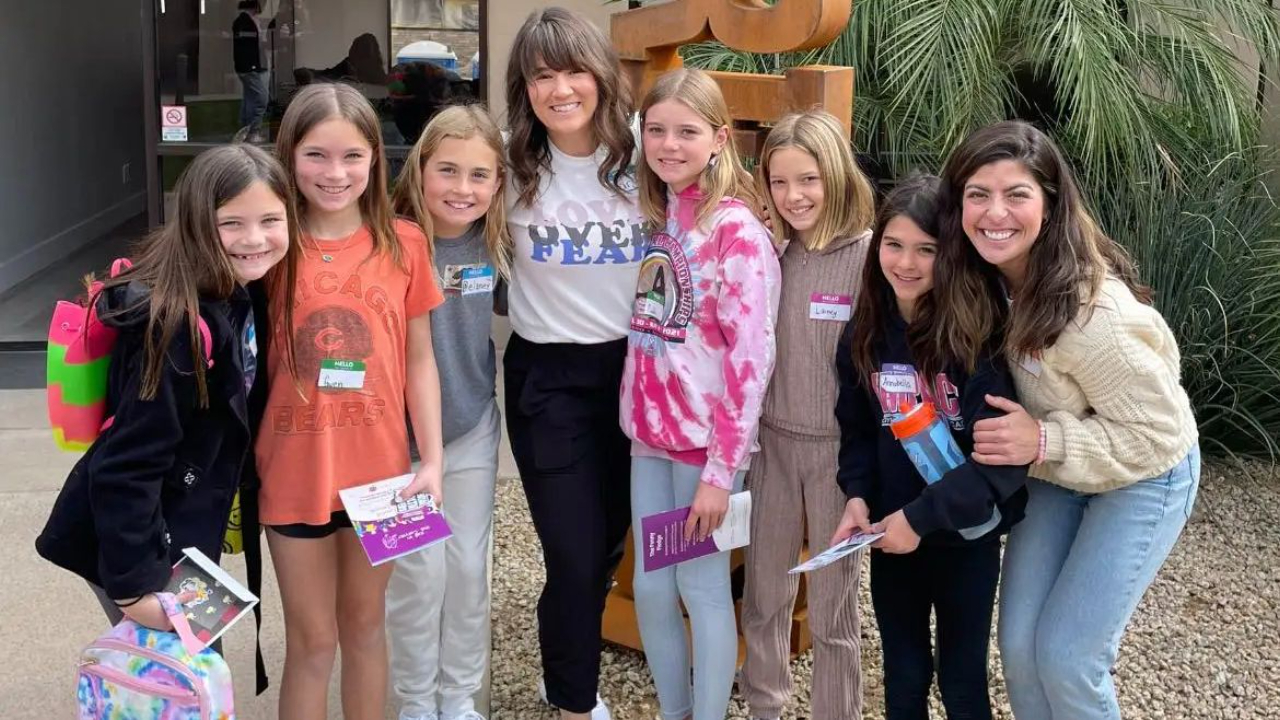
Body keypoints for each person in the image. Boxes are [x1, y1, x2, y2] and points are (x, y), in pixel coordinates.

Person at [935, 120, 1200, 720]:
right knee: (1020, 650)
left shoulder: (1091, 315)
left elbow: (1157, 432)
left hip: (1145, 472)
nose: (994, 212)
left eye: (1016, 195)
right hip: (1057, 467)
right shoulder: (981, 280)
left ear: (1050, 205)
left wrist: (1043, 437)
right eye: (978, 194)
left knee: (1068, 658)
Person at [36, 143, 297, 630]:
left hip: (178, 531)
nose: (254, 238)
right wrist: (134, 589)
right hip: (139, 545)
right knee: (174, 675)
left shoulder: (236, 288)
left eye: (270, 220)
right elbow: (127, 463)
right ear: (197, 223)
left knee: (197, 666)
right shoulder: (178, 327)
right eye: (231, 223)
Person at [257, 82, 446, 720]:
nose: (334, 173)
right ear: (289, 155)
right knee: (312, 642)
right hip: (292, 471)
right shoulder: (269, 245)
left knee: (366, 627)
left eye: (351, 157)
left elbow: (420, 360)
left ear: (374, 160)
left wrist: (432, 461)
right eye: (316, 155)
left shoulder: (404, 242)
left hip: (383, 476)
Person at [832, 173, 1028, 720]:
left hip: (963, 540)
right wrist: (857, 496)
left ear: (952, 255)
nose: (906, 263)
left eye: (926, 250)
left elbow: (997, 465)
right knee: (904, 673)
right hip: (893, 538)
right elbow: (856, 429)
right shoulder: (865, 334)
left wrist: (920, 519)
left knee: (961, 680)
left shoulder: (977, 338)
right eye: (893, 245)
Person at [622, 67, 781, 720]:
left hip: (703, 449)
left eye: (686, 132)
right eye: (656, 129)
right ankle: (676, 710)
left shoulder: (736, 230)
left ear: (719, 138)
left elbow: (752, 358)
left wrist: (722, 471)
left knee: (701, 584)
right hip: (649, 438)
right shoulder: (656, 214)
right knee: (652, 587)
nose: (668, 144)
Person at [502, 7, 644, 719]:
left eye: (574, 71)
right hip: (548, 381)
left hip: (638, 372)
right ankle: (573, 702)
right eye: (541, 76)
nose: (560, 90)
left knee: (611, 540)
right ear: (524, 89)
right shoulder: (509, 164)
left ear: (602, 75)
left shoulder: (645, 151)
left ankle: (563, 661)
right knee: (573, 550)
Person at [739, 110, 875, 720]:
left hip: (837, 458)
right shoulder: (769, 252)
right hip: (772, 444)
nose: (794, 195)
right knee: (765, 592)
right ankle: (765, 705)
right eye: (780, 181)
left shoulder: (870, 258)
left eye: (809, 179)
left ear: (836, 176)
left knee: (833, 610)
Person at [384, 103, 512, 720]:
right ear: (420, 168)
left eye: (479, 175)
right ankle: (414, 700)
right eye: (448, 170)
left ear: (498, 181)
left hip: (469, 427)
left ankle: (458, 696)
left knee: (465, 570)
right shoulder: (387, 238)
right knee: (416, 576)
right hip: (393, 443)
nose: (463, 188)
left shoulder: (496, 240)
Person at [233, 0, 270, 138]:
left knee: (250, 99)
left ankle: (246, 131)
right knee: (261, 99)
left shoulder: (245, 21)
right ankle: (253, 131)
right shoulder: (245, 22)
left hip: (249, 66)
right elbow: (251, 45)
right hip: (250, 67)